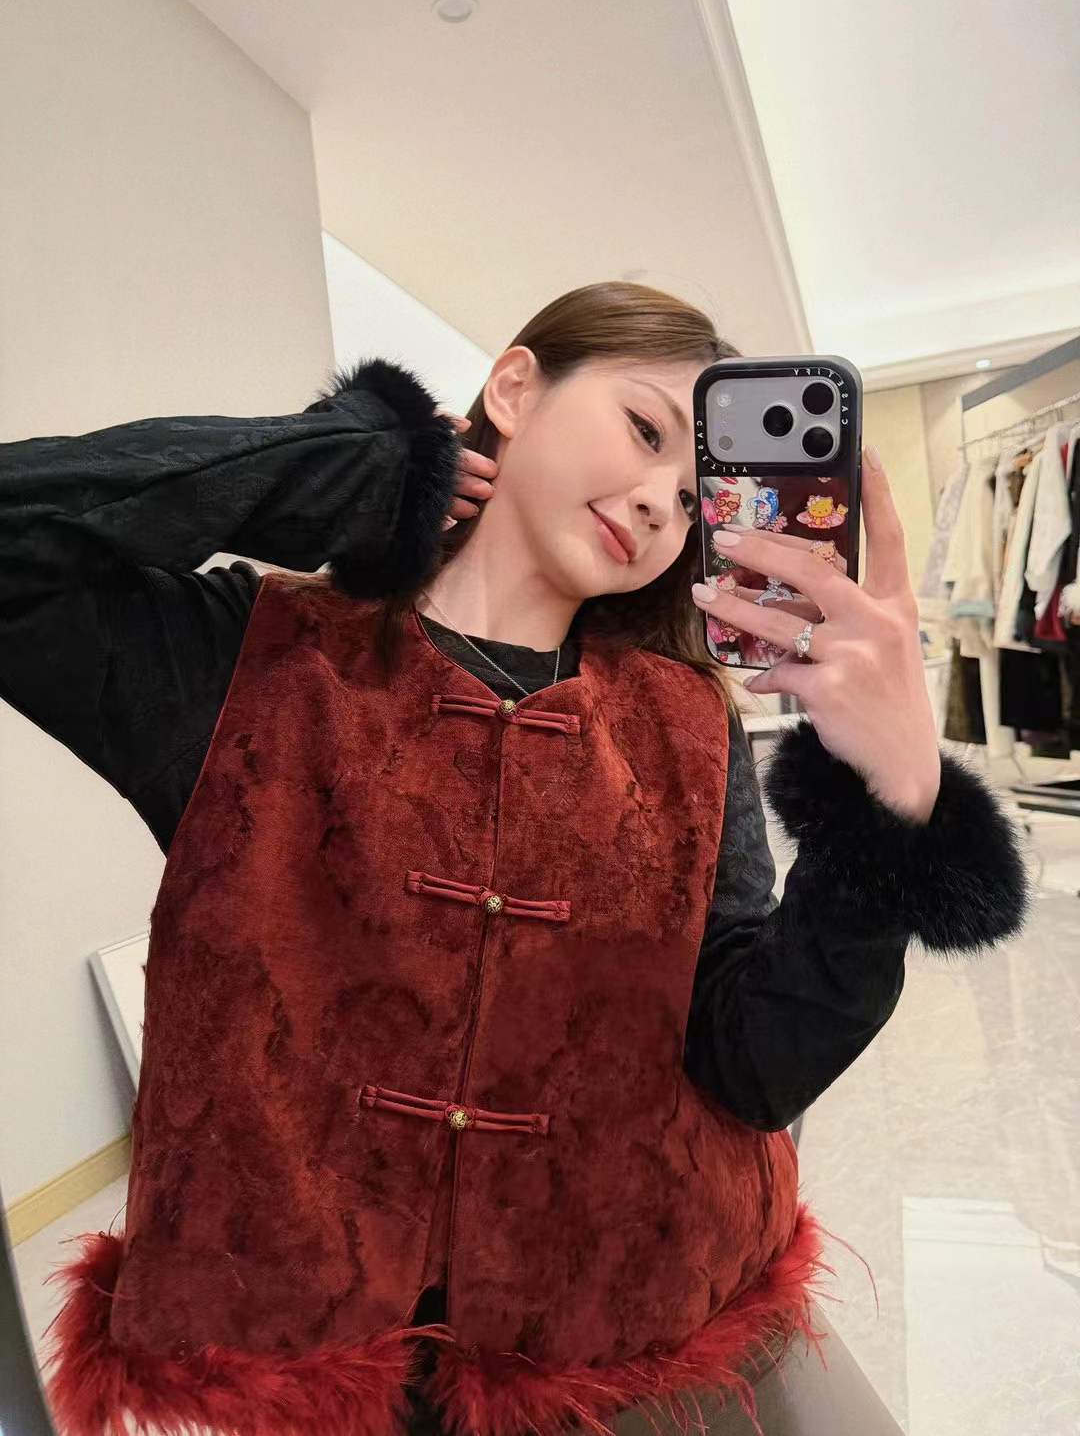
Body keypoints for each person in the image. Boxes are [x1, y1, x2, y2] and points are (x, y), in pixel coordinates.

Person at [1, 282, 1029, 1436]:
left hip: (632, 1348)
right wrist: (345, 462)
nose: (660, 499)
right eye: (644, 429)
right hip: (306, 1358)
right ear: (514, 385)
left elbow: (755, 1067)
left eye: (697, 494)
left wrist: (889, 801)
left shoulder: (690, 724)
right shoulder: (253, 659)